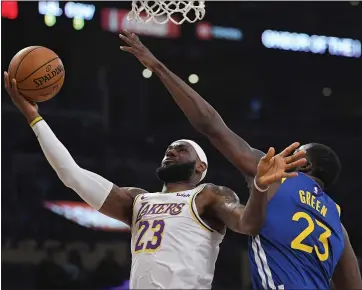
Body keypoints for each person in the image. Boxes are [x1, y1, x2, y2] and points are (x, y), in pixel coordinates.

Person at [4, 71, 306, 289]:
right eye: (169, 148)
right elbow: (71, 174)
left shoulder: (209, 195)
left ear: (200, 166)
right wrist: (34, 118)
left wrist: (260, 186)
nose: (171, 150)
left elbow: (249, 224)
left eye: (181, 149)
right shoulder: (137, 200)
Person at [119, 30, 362, 289]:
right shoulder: (338, 225)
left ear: (303, 164)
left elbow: (211, 125)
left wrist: (158, 67)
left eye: (294, 152)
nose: (284, 155)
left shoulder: (276, 178)